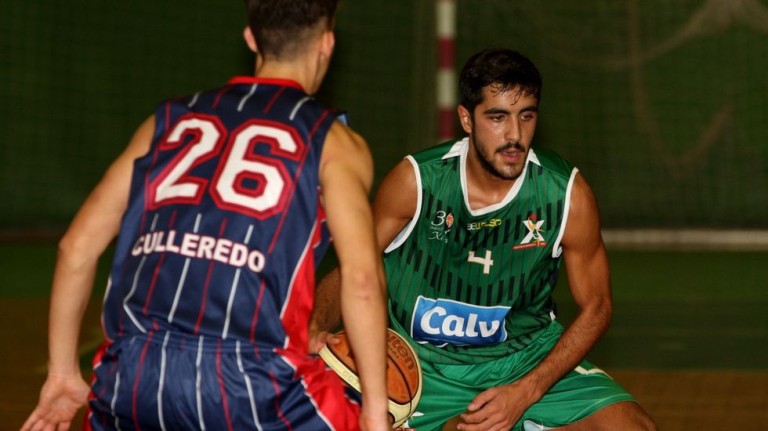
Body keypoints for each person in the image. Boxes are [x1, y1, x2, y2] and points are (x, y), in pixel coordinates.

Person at [21, 1, 390, 430]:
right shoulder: (335, 141)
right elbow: (362, 280)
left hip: (133, 374)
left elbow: (76, 247)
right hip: (251, 379)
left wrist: (63, 374)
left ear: (251, 38)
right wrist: (375, 410)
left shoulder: (166, 121)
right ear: (327, 43)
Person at [312, 48, 656, 430]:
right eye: (497, 117)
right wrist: (314, 326)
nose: (514, 135)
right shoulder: (417, 183)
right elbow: (352, 269)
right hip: (416, 363)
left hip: (525, 358)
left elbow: (598, 305)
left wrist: (527, 390)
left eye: (526, 115)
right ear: (466, 119)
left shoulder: (565, 195)